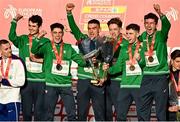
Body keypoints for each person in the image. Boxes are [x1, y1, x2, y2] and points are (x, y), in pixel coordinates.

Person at [31, 22, 86, 121]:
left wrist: (90, 59)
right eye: (55, 32)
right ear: (51, 33)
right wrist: (38, 38)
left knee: (72, 114)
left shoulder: (68, 48)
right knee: (48, 115)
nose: (57, 35)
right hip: (51, 84)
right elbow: (34, 50)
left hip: (65, 85)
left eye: (60, 32)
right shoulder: (47, 46)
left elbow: (81, 62)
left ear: (63, 34)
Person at [66, 3, 106, 121]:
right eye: (89, 28)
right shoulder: (83, 39)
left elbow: (106, 64)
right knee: (81, 113)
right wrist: (69, 13)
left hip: (97, 81)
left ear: (99, 29)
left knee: (100, 113)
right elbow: (74, 28)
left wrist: (103, 76)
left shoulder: (105, 43)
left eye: (94, 28)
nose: (91, 31)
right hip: (83, 80)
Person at [8, 14, 46, 121]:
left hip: (41, 81)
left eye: (34, 26)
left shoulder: (45, 41)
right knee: (26, 112)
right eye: (29, 25)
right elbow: (11, 36)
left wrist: (38, 60)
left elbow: (49, 60)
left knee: (39, 112)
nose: (31, 28)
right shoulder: (23, 39)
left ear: (39, 26)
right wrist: (14, 21)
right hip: (26, 81)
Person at [138, 4, 171, 121]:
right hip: (146, 77)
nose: (149, 26)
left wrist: (160, 13)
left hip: (160, 77)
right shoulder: (142, 36)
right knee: (142, 109)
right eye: (146, 23)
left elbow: (167, 25)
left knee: (161, 111)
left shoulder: (161, 35)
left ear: (156, 24)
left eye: (151, 23)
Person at [106, 24, 145, 121]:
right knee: (120, 116)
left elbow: (148, 65)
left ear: (138, 33)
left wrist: (140, 59)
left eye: (131, 33)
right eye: (127, 33)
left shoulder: (143, 47)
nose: (128, 36)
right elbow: (118, 67)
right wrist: (107, 69)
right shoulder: (124, 49)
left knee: (142, 116)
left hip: (138, 86)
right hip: (124, 86)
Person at [105, 17, 127, 120]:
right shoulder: (107, 43)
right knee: (106, 112)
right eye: (110, 29)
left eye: (115, 29)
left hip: (119, 81)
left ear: (120, 29)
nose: (112, 32)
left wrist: (108, 70)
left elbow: (121, 66)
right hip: (106, 81)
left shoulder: (126, 43)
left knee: (120, 113)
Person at [0, 39, 25, 121]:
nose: (10, 50)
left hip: (12, 99)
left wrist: (4, 80)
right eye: (6, 49)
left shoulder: (18, 61)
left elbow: (21, 81)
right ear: (0, 51)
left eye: (9, 48)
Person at [167, 49, 180, 121]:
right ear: (172, 61)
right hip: (170, 110)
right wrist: (167, 107)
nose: (179, 64)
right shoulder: (165, 75)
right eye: (177, 61)